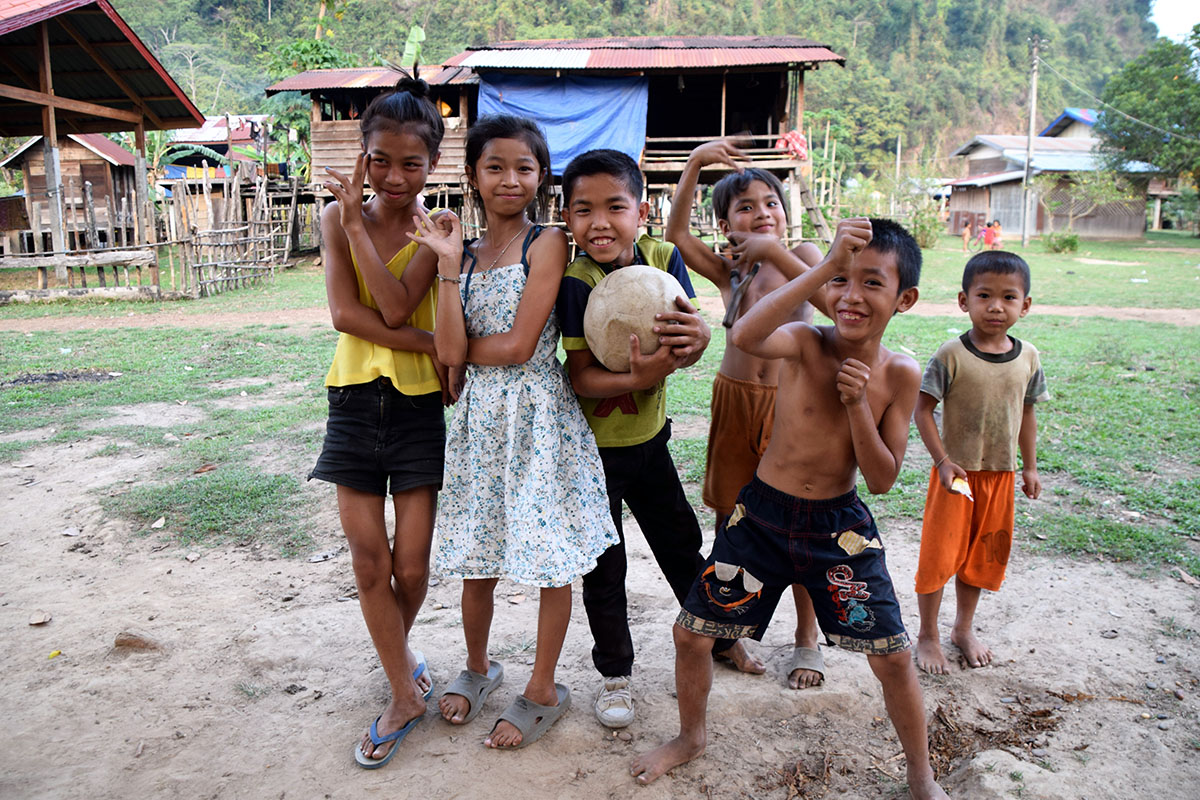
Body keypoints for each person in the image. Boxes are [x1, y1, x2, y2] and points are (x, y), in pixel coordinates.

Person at [631, 218, 948, 800]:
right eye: (842, 281)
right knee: (692, 635)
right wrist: (824, 268)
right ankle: (691, 737)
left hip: (839, 530)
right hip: (761, 517)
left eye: (871, 283)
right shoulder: (806, 343)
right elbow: (745, 336)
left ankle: (920, 774)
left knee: (895, 657)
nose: (851, 296)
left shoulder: (901, 374)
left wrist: (856, 406)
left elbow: (881, 479)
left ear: (905, 299)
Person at [420, 115, 619, 748]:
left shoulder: (550, 242)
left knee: (549, 559)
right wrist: (449, 266)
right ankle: (478, 666)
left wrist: (456, 351)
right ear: (473, 176)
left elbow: (517, 346)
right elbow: (448, 348)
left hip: (538, 418)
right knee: (478, 558)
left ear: (541, 177)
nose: (510, 179)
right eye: (495, 167)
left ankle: (542, 687)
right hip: (480, 424)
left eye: (524, 168)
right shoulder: (464, 253)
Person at [556, 148, 760, 729]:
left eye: (615, 206)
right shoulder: (576, 282)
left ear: (641, 210)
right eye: (583, 209)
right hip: (591, 455)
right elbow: (580, 380)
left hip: (650, 442)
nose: (600, 222)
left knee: (681, 547)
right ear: (567, 217)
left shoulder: (664, 257)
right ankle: (616, 673)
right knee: (604, 566)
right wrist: (637, 377)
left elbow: (690, 338)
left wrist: (695, 342)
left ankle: (720, 638)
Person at [312, 75, 449, 769]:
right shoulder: (332, 219)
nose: (395, 176)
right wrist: (431, 343)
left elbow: (393, 308)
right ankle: (403, 691)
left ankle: (398, 650)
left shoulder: (439, 230)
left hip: (421, 404)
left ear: (433, 166)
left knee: (413, 564)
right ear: (363, 155)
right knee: (370, 562)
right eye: (381, 160)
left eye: (412, 164)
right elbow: (345, 316)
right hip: (354, 398)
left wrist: (360, 226)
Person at [666, 139, 828, 690]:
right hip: (735, 399)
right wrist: (693, 166)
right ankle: (727, 631)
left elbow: (830, 303)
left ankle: (807, 638)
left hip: (791, 406)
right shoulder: (729, 274)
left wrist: (769, 249)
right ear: (727, 223)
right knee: (730, 520)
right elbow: (676, 237)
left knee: (799, 517)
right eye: (745, 207)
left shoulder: (803, 256)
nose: (762, 213)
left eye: (771, 204)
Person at [913, 250, 1047, 675]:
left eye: (1009, 297)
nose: (995, 306)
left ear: (1024, 306)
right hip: (956, 476)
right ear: (963, 300)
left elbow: (1027, 414)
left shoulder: (1028, 357)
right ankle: (928, 635)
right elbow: (922, 410)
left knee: (980, 557)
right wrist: (943, 461)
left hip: (1001, 477)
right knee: (939, 556)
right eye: (984, 295)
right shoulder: (951, 354)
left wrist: (1029, 467)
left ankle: (963, 629)